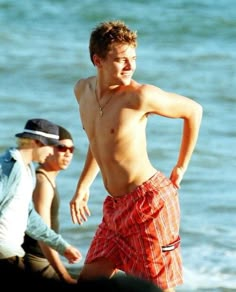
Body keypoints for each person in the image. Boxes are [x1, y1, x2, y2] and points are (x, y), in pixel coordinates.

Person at [70, 20, 203, 292]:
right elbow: (99, 143)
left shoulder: (139, 97)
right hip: (115, 207)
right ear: (98, 60)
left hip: (149, 204)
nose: (130, 66)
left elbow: (193, 111)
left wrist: (181, 166)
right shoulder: (82, 91)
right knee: (89, 281)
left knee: (157, 288)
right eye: (121, 60)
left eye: (133, 58)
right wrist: (83, 186)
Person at [0, 118, 82, 274]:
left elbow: (30, 218)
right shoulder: (9, 167)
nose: (52, 152)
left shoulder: (28, 170)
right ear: (37, 142)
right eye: (52, 146)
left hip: (14, 253)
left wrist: (62, 246)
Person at [23, 125, 77, 283]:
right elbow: (42, 234)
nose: (67, 154)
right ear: (48, 148)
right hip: (37, 260)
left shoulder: (47, 179)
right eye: (61, 148)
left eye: (71, 150)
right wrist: (64, 275)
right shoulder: (42, 183)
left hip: (43, 258)